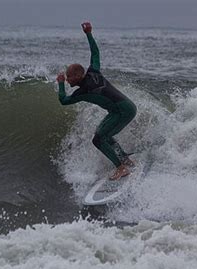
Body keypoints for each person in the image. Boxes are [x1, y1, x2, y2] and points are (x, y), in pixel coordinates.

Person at [56, 21, 137, 181]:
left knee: (98, 139)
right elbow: (95, 53)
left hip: (122, 111)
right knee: (103, 135)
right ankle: (125, 159)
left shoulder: (83, 91)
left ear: (78, 75)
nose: (67, 79)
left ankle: (121, 168)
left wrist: (59, 84)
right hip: (123, 108)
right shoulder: (94, 71)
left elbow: (63, 101)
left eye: (69, 76)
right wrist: (89, 33)